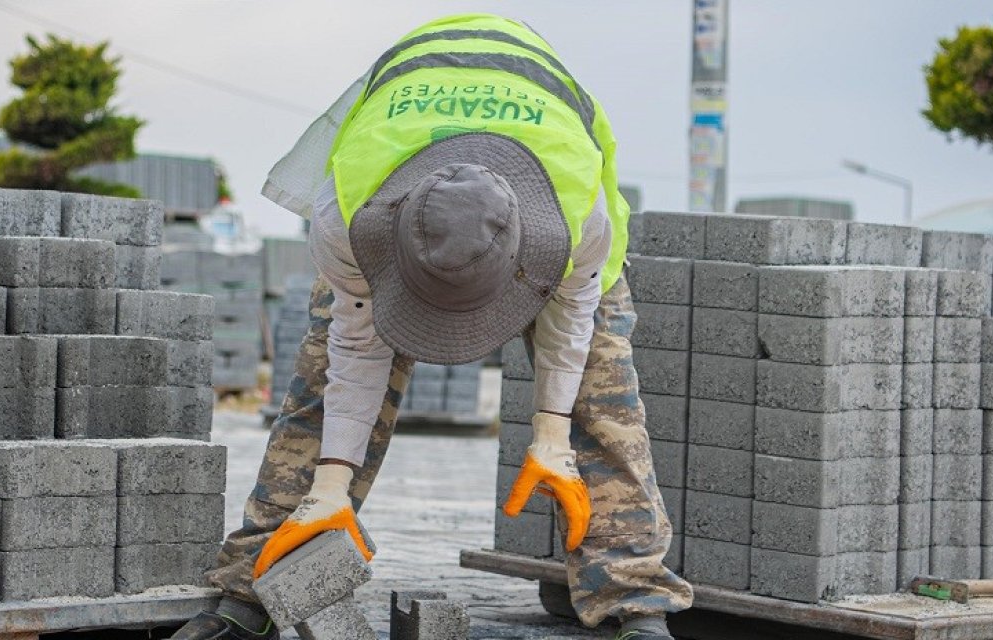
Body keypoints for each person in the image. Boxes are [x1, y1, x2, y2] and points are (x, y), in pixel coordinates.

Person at [177, 13, 693, 640]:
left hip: (552, 192)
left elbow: (573, 325)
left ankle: (635, 602)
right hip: (399, 170)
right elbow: (355, 350)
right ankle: (256, 585)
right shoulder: (348, 215)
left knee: (602, 394)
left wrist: (551, 434)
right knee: (323, 386)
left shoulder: (574, 218)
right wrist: (331, 484)